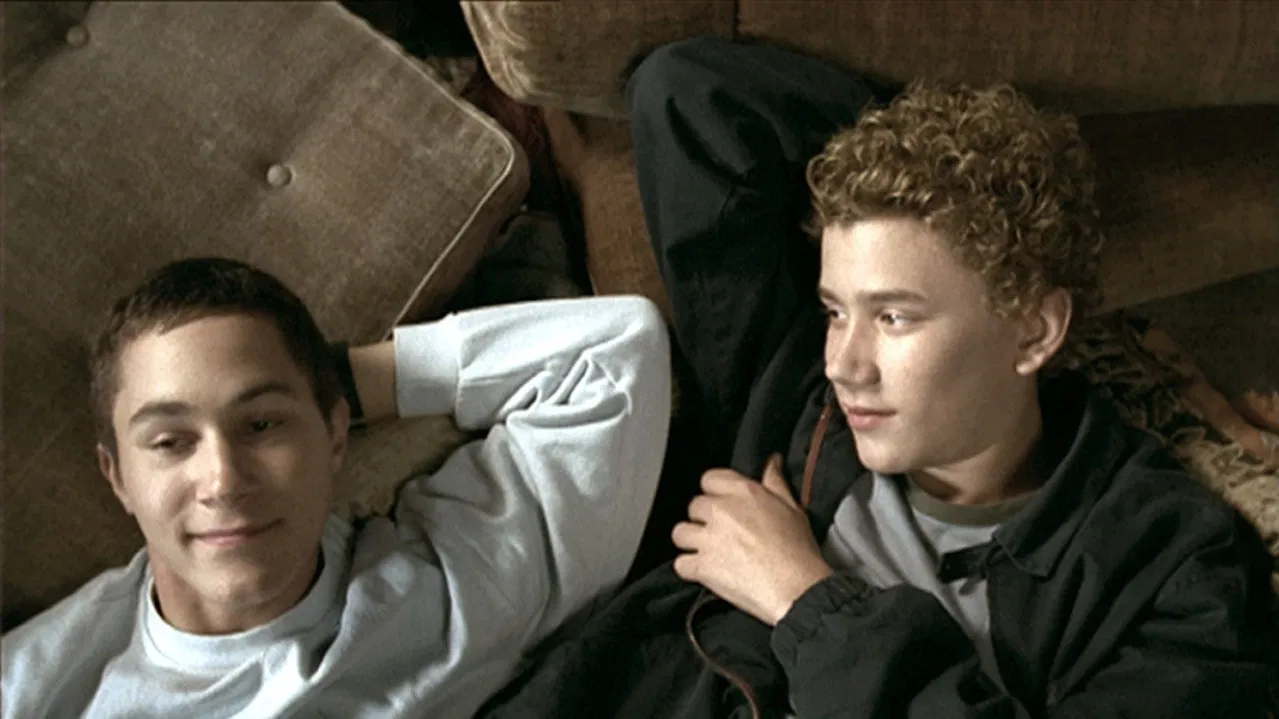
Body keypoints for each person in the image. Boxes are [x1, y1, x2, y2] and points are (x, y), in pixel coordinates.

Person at [478, 37, 1275, 717]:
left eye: (894, 316)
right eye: (835, 309)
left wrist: (807, 601)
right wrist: (927, 151)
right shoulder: (798, 403)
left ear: (1032, 329)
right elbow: (690, 93)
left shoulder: (1174, 567)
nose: (843, 362)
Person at [0, 257, 671, 717]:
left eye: (262, 424)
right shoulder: (38, 684)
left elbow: (614, 350)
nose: (223, 481)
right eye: (171, 441)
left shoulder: (457, 593)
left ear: (335, 436)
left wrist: (341, 382)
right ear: (118, 477)